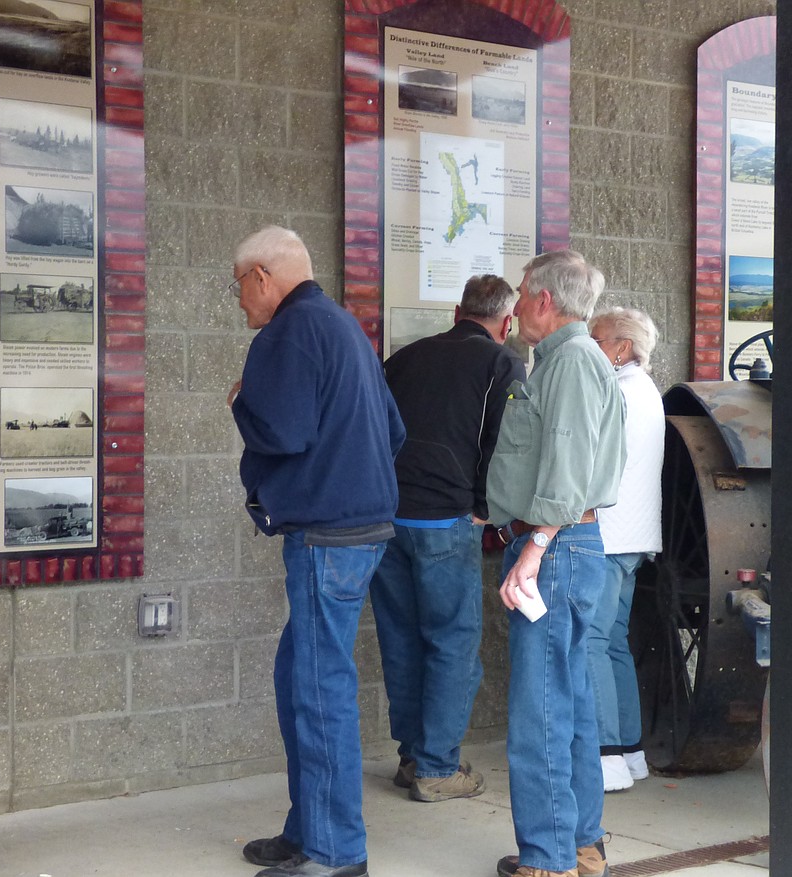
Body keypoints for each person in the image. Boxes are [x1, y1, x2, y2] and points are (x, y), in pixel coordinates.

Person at [229, 226, 405, 877]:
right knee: (298, 675)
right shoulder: (342, 326)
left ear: (262, 278)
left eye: (239, 286)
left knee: (318, 689)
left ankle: (335, 853)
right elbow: (394, 428)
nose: (240, 302)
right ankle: (309, 829)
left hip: (326, 536)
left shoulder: (287, 332)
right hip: (361, 529)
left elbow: (283, 428)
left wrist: (242, 401)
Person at [488, 250, 626, 877]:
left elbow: (566, 470)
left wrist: (534, 549)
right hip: (568, 544)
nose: (515, 306)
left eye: (521, 294)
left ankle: (547, 860)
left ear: (545, 300)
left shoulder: (570, 360)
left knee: (539, 709)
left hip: (557, 546)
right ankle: (580, 844)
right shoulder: (579, 358)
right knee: (566, 701)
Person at [370, 274, 526, 802]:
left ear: (459, 311)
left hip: (388, 520)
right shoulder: (501, 363)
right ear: (506, 323)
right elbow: (504, 446)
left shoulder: (404, 357)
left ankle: (412, 757)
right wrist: (485, 509)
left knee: (401, 639)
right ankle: (438, 768)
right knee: (452, 644)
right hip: (446, 521)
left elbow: (375, 429)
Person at [585, 308, 665, 791]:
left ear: (622, 348)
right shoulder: (647, 392)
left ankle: (606, 757)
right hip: (635, 538)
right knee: (614, 641)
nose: (590, 346)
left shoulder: (614, 392)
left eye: (596, 339)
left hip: (607, 534)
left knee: (593, 642)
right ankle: (631, 752)